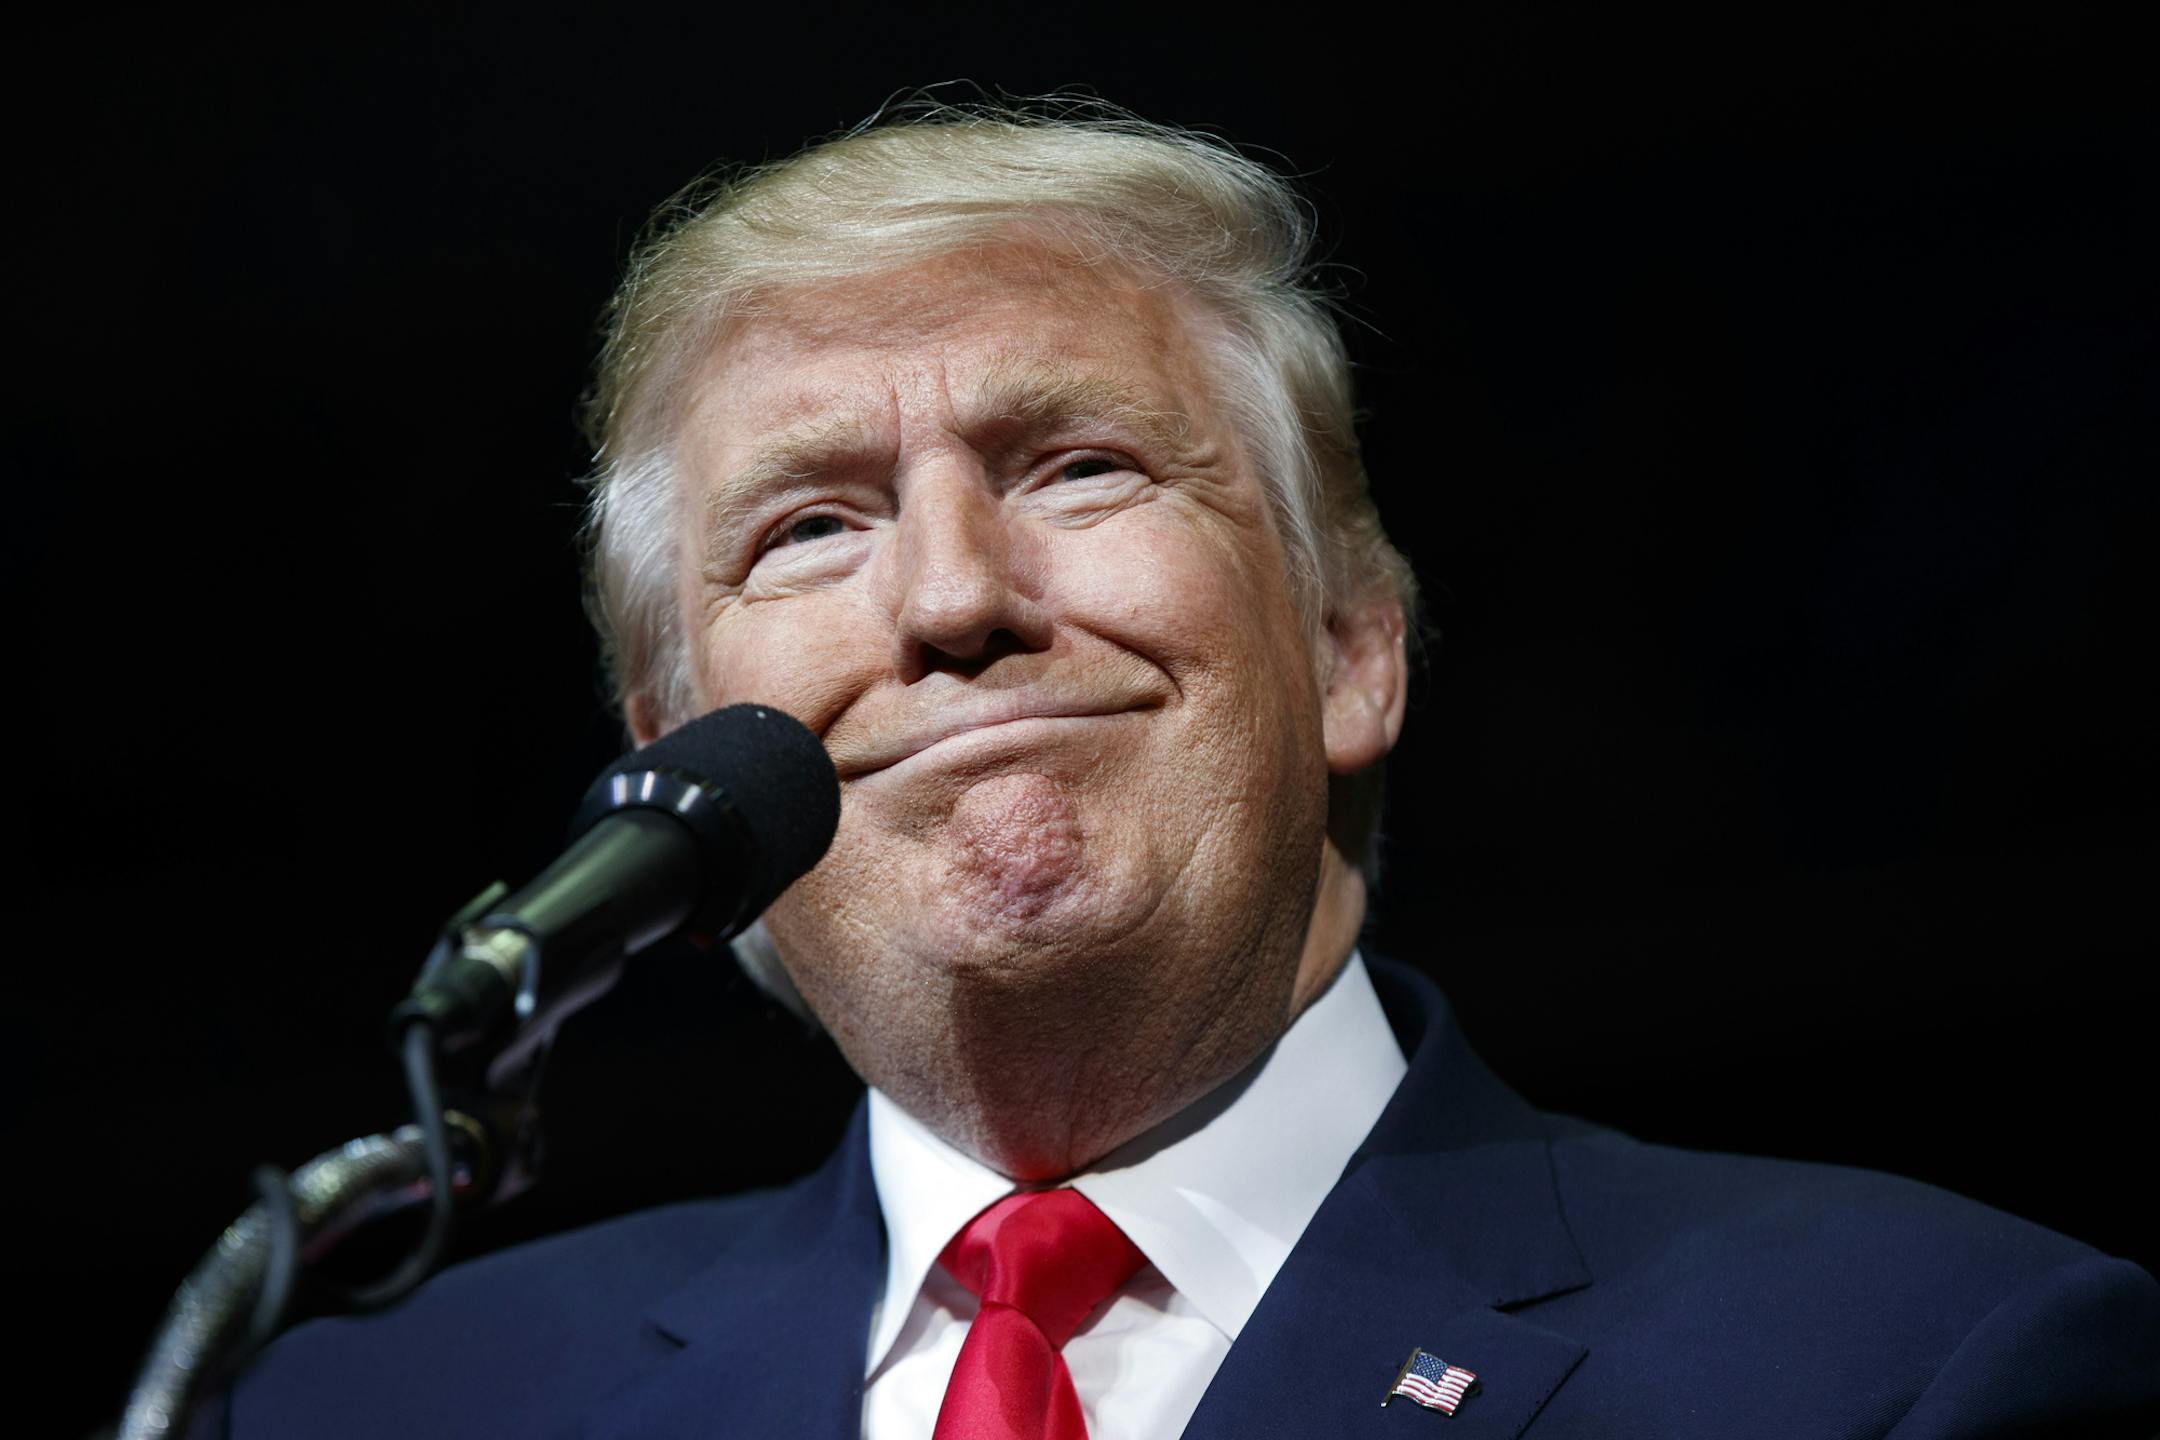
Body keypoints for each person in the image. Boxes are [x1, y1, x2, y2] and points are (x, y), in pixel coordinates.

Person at [210, 103, 2160, 1439]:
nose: (953, 598)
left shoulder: (1903, 1369)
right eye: (810, 526)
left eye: (1079, 465)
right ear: (675, 766)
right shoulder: (369, 1407)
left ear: (1347, 646)